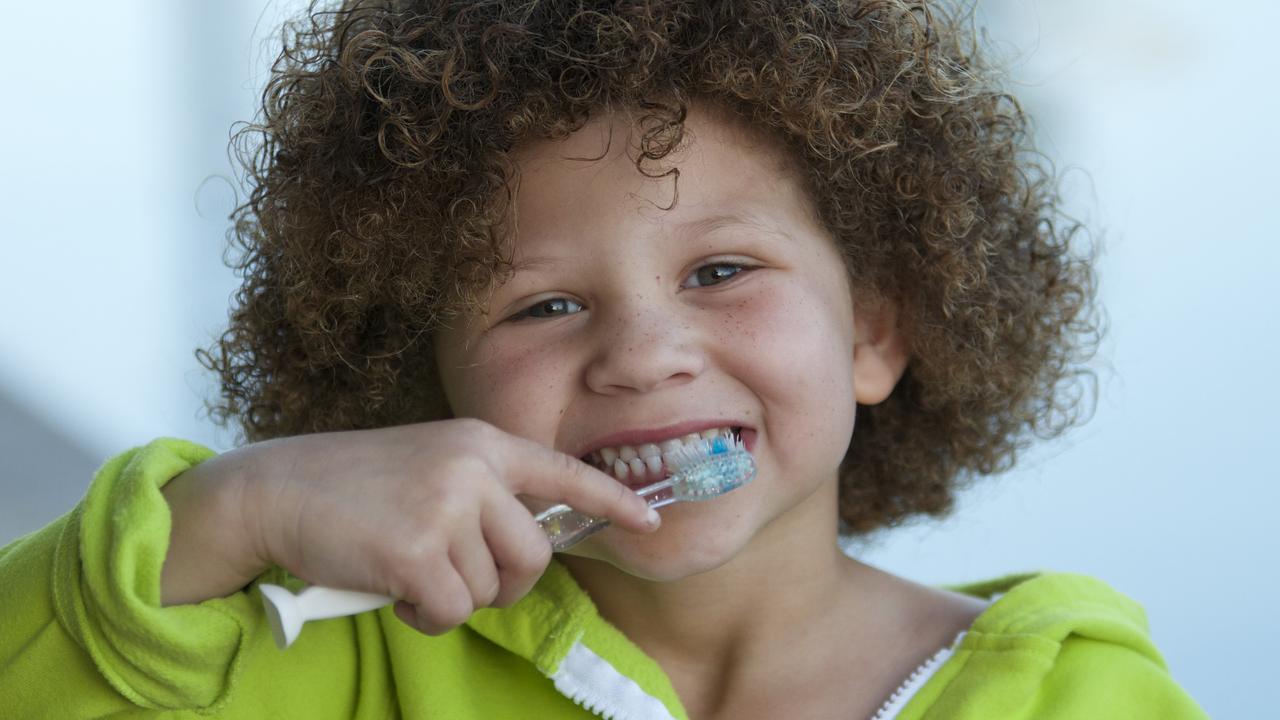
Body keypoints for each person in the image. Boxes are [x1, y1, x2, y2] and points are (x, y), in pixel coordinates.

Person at [0, 1, 1206, 717]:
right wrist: (235, 508)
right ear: (429, 385)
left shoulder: (1070, 694)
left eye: (720, 272)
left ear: (876, 332)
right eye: (542, 306)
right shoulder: (329, 651)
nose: (641, 354)